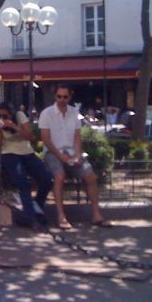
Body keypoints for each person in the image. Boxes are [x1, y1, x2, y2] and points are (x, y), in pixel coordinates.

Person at [38, 85, 110, 230]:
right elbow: (45, 139)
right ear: (55, 97)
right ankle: (61, 216)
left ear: (69, 98)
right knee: (59, 176)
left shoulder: (74, 113)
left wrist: (77, 155)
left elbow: (77, 137)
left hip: (72, 152)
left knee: (90, 176)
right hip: (53, 152)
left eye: (65, 97)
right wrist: (61, 157)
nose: (62, 100)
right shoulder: (47, 113)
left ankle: (96, 214)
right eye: (59, 96)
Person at [0, 102, 52, 227]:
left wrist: (14, 126)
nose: (3, 119)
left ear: (11, 114)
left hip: (27, 152)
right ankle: (30, 217)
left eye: (5, 116)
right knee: (23, 183)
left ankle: (36, 207)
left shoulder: (19, 116)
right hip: (9, 153)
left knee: (46, 179)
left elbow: (30, 136)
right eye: (0, 116)